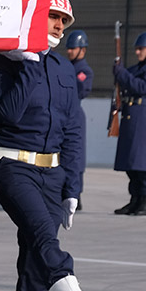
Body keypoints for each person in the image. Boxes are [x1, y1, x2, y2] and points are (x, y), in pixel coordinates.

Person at [0, 0, 109, 291]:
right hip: (12, 166)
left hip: (53, 174)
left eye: (63, 21)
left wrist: (73, 186)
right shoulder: (5, 62)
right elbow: (7, 114)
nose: (58, 25)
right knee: (43, 237)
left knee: (34, 258)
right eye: (52, 17)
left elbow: (73, 129)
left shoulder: (63, 68)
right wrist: (27, 63)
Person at [112, 31, 146, 216]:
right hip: (130, 117)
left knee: (143, 164)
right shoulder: (134, 69)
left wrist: (121, 73)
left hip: (143, 118)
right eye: (137, 49)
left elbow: (141, 87)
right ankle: (134, 200)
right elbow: (125, 85)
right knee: (131, 163)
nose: (137, 52)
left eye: (141, 49)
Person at [65, 30, 91, 209]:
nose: (69, 51)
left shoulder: (84, 71)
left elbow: (81, 90)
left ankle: (76, 194)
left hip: (74, 115)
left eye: (73, 48)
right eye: (68, 48)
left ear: (82, 50)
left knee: (75, 156)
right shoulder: (66, 67)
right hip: (63, 115)